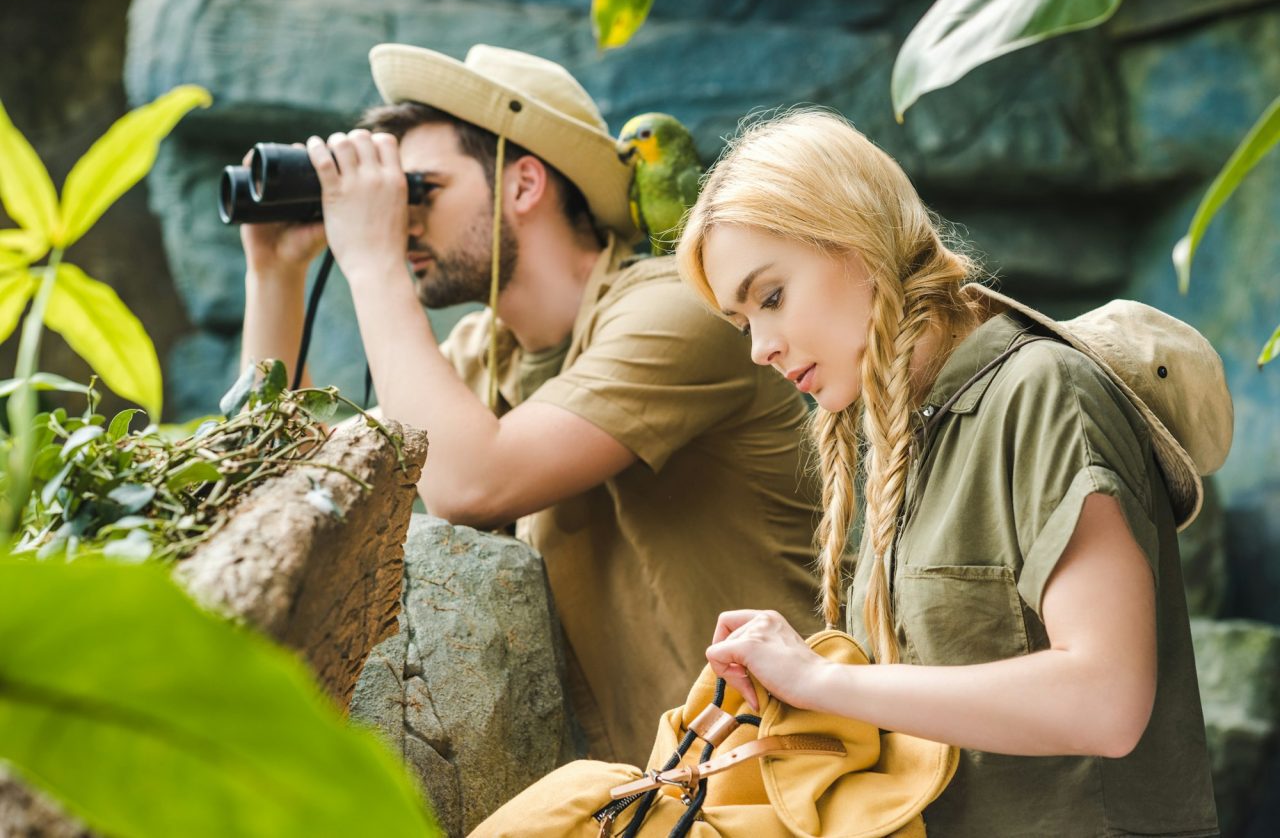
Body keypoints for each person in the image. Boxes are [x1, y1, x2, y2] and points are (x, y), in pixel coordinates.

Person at [237, 44, 821, 765]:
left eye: (418, 189)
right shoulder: (485, 356)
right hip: (644, 798)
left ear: (523, 184)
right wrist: (275, 275)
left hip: (777, 782)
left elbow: (470, 483)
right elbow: (290, 497)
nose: (401, 219)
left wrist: (371, 259)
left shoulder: (680, 310)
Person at [675, 109, 1226, 836]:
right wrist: (795, 682)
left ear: (860, 244)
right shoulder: (905, 435)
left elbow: (1106, 699)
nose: (760, 348)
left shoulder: (1043, 391)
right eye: (743, 321)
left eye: (771, 296)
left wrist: (827, 680)